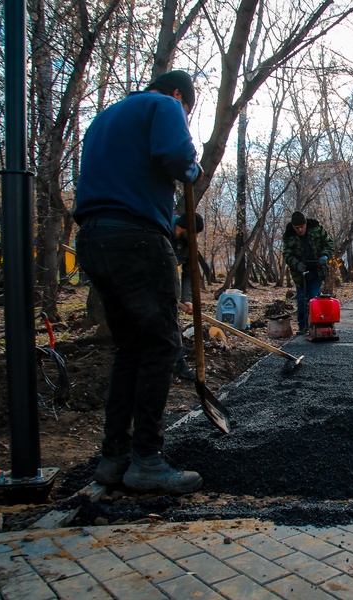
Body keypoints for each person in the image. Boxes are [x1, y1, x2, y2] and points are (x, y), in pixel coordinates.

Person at [73, 70, 203, 494]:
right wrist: (193, 165)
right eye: (188, 110)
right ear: (180, 95)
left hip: (93, 239)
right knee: (162, 344)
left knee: (129, 348)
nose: (183, 114)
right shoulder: (163, 105)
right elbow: (176, 157)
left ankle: (115, 458)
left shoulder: (105, 118)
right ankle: (147, 459)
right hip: (136, 237)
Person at [282, 210, 335, 335]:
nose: (300, 230)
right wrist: (296, 263)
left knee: (313, 297)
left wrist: (325, 256)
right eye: (297, 228)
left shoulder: (317, 228)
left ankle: (316, 324)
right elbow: (287, 254)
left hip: (317, 270)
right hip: (300, 273)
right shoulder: (288, 235)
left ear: (306, 224)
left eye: (302, 227)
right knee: (301, 299)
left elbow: (329, 244)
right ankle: (302, 326)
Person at [171, 212, 204, 381]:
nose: (195, 238)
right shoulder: (160, 233)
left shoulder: (188, 243)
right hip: (147, 288)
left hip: (169, 291)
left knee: (172, 326)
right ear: (182, 228)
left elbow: (189, 273)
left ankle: (179, 366)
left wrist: (187, 298)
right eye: (194, 234)